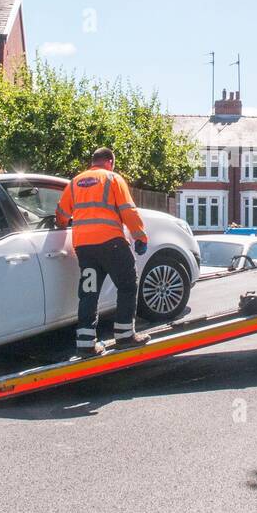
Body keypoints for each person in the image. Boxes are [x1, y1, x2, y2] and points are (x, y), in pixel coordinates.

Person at [55, 147, 151, 357]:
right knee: (127, 285)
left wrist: (61, 223)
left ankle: (86, 344)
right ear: (109, 162)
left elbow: (61, 214)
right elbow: (128, 211)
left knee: (89, 293)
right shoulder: (112, 178)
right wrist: (140, 237)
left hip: (84, 247)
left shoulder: (75, 182)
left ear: (93, 162)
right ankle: (125, 336)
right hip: (111, 244)